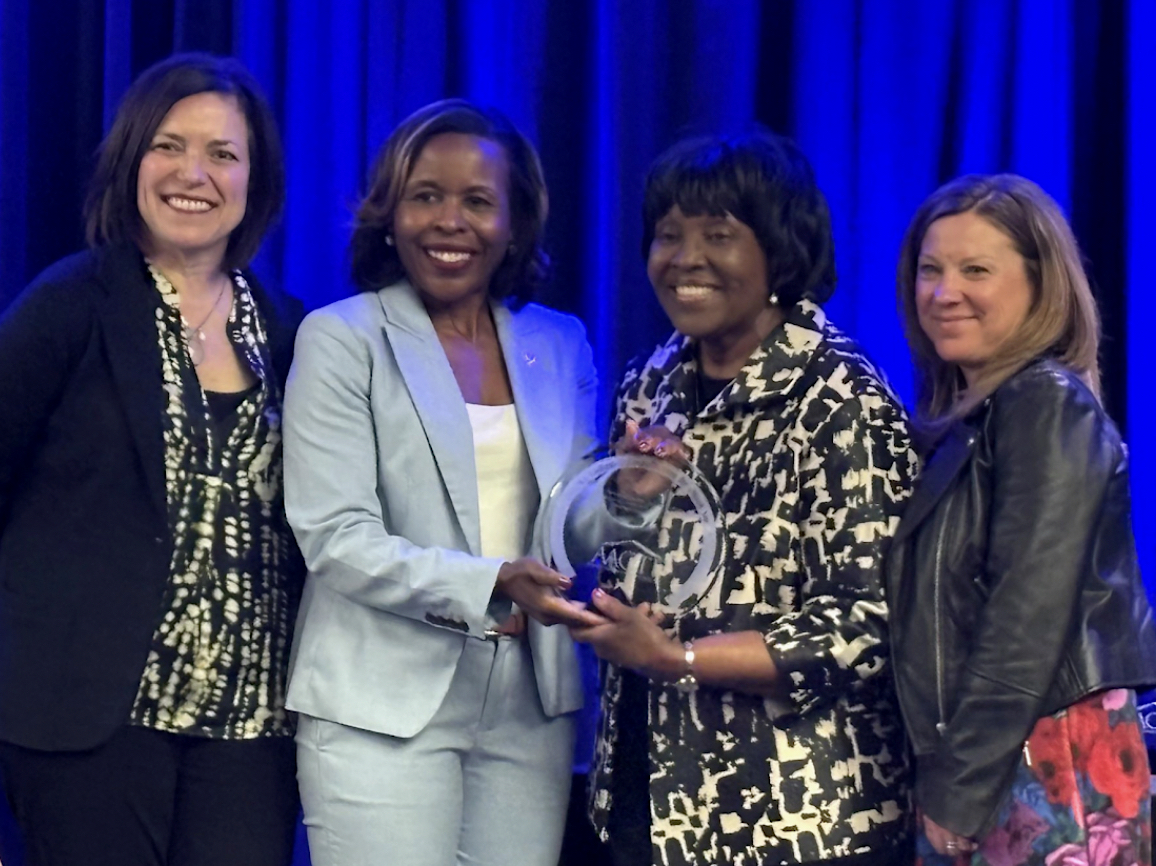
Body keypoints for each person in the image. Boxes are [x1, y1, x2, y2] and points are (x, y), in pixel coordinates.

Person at [570, 130, 918, 866]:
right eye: (669, 235)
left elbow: (864, 624)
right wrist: (628, 501)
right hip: (649, 794)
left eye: (718, 235)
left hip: (799, 817)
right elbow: (630, 565)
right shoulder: (649, 380)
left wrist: (681, 658)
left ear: (779, 254)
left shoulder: (841, 398)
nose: (685, 258)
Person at [282, 98, 606, 866]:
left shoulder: (559, 342)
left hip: (530, 699)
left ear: (515, 224)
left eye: (477, 201)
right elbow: (336, 539)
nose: (449, 221)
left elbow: (574, 525)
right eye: (426, 196)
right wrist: (495, 581)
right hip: (380, 701)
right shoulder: (340, 339)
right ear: (389, 214)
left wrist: (630, 494)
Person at [0, 53, 303, 866]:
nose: (192, 174)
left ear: (254, 180)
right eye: (169, 145)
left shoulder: (292, 332)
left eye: (223, 154)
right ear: (132, 158)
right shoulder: (68, 305)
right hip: (88, 718)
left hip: (250, 727)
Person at [888, 173, 1156, 866]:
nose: (944, 294)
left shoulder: (1044, 404)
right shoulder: (971, 422)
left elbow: (1025, 616)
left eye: (975, 270)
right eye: (930, 270)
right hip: (989, 752)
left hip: (1041, 755)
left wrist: (960, 786)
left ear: (1041, 285)